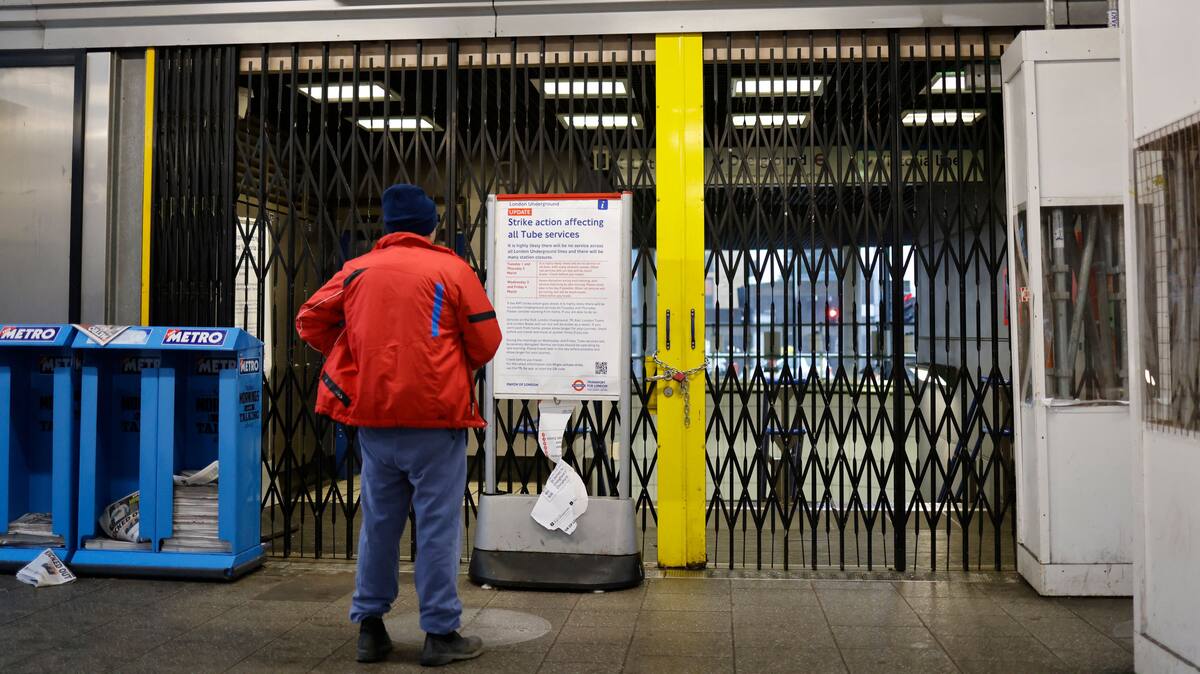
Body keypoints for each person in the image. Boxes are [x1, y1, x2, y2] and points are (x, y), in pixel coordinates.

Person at [296, 184, 502, 666]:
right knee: (437, 526)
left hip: (373, 420)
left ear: (387, 229)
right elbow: (487, 340)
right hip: (435, 420)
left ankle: (370, 628)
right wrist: (447, 363)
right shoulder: (452, 269)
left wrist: (354, 351)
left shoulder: (356, 271)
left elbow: (309, 320)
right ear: (432, 226)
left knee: (379, 525)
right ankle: (439, 633)